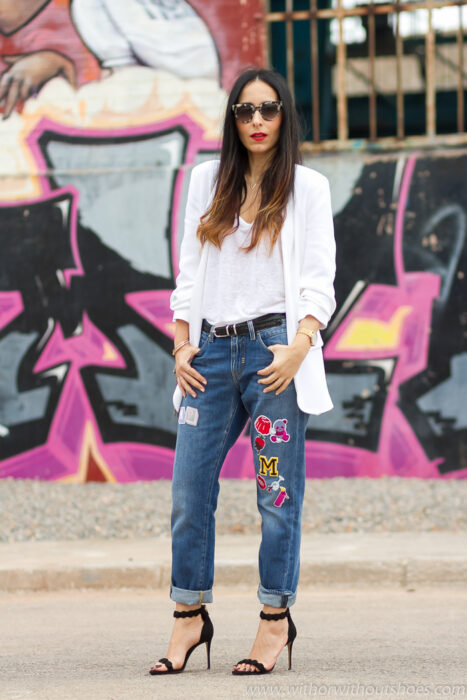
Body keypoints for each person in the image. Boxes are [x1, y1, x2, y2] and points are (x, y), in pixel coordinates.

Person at [150, 67, 336, 676]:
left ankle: (274, 622)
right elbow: (187, 273)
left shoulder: (307, 188)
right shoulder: (208, 182)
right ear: (233, 119)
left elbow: (318, 282)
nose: (257, 121)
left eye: (269, 109)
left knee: (276, 496)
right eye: (245, 110)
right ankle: (188, 617)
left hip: (274, 356)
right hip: (209, 356)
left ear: (286, 117)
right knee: (188, 491)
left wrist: (300, 346)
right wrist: (181, 347)